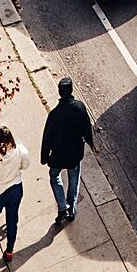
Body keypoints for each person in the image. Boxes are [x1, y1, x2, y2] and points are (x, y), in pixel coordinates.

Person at [38, 76, 92, 226]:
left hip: (58, 155)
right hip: (74, 154)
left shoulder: (54, 115)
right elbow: (87, 128)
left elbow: (47, 137)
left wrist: (44, 157)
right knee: (74, 179)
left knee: (54, 176)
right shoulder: (79, 107)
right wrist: (91, 143)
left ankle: (62, 206)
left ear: (59, 92)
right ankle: (71, 209)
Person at [0, 127, 28, 272]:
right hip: (15, 189)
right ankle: (9, 250)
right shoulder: (20, 150)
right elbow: (26, 165)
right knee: (12, 220)